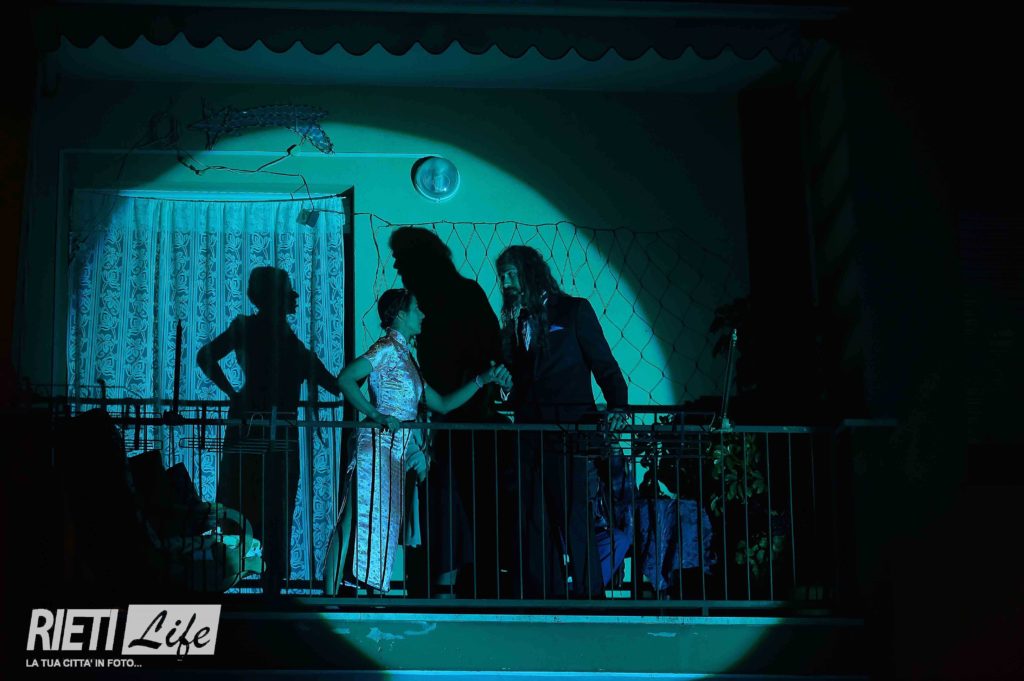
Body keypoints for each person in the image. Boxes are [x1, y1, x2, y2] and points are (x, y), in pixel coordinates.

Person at [324, 288, 511, 594]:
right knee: (354, 518)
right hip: (377, 445)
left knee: (381, 521)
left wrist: (482, 380)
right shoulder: (386, 348)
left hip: (394, 451)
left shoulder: (407, 359)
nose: (422, 315)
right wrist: (375, 414)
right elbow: (345, 378)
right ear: (401, 315)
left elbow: (442, 404)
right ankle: (331, 597)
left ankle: (363, 593)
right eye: (416, 309)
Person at [197, 266, 341, 594]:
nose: (295, 297)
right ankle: (266, 584)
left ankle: (244, 580)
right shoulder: (283, 341)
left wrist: (234, 395)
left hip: (254, 429)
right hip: (270, 434)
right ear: (275, 296)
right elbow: (334, 384)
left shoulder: (263, 334)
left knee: (248, 505)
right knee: (270, 507)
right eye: (289, 290)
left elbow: (205, 357)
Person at [495, 245, 629, 599]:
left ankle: (590, 601)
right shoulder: (514, 323)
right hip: (529, 434)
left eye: (511, 274)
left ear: (530, 272)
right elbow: (520, 382)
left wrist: (618, 408)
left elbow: (606, 366)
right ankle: (545, 599)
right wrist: (506, 387)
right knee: (534, 521)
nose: (505, 282)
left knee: (574, 519)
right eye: (502, 276)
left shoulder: (573, 310)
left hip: (570, 433)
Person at [388, 226, 511, 597]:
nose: (397, 269)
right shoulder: (433, 301)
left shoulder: (457, 297)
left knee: (460, 509)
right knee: (442, 509)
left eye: (402, 261)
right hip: (443, 421)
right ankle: (447, 589)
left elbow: (490, 355)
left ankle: (463, 589)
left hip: (464, 423)